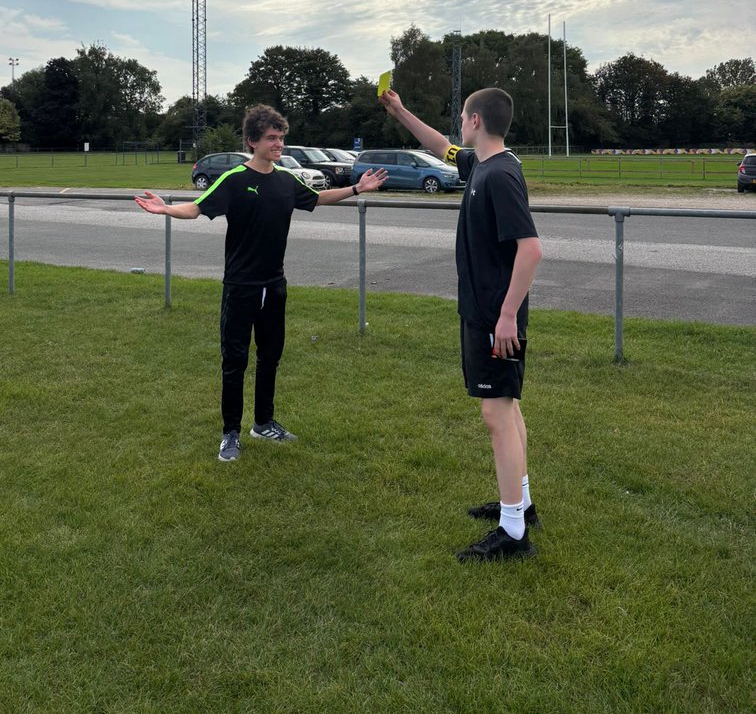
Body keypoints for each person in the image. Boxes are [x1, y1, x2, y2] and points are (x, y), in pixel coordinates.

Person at [135, 104, 387, 463]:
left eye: (281, 137)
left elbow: (316, 199)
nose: (278, 144)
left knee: (270, 357)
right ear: (252, 141)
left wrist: (357, 189)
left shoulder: (286, 179)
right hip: (241, 287)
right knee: (234, 360)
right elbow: (197, 208)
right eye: (271, 138)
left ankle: (264, 423)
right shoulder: (234, 179)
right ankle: (231, 433)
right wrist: (166, 209)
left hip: (275, 285)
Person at [381, 86, 543, 560]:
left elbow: (531, 249)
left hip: (496, 315)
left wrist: (507, 316)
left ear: (475, 120)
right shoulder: (480, 164)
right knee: (507, 408)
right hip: (483, 310)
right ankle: (521, 505)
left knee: (496, 414)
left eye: (462, 116)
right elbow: (440, 146)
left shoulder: (500, 175)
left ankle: (513, 532)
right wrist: (400, 111)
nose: (458, 124)